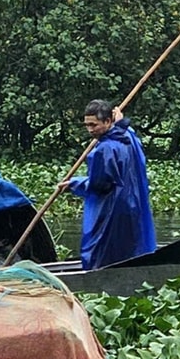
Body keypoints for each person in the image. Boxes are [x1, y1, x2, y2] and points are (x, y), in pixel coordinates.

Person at [60, 99, 157, 270]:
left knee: (102, 250)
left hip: (112, 210)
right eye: (87, 125)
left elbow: (99, 184)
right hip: (132, 206)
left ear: (107, 121)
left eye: (94, 125)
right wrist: (121, 123)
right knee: (128, 248)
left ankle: (98, 277)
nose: (90, 130)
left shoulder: (105, 149)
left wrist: (74, 184)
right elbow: (127, 131)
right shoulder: (128, 137)